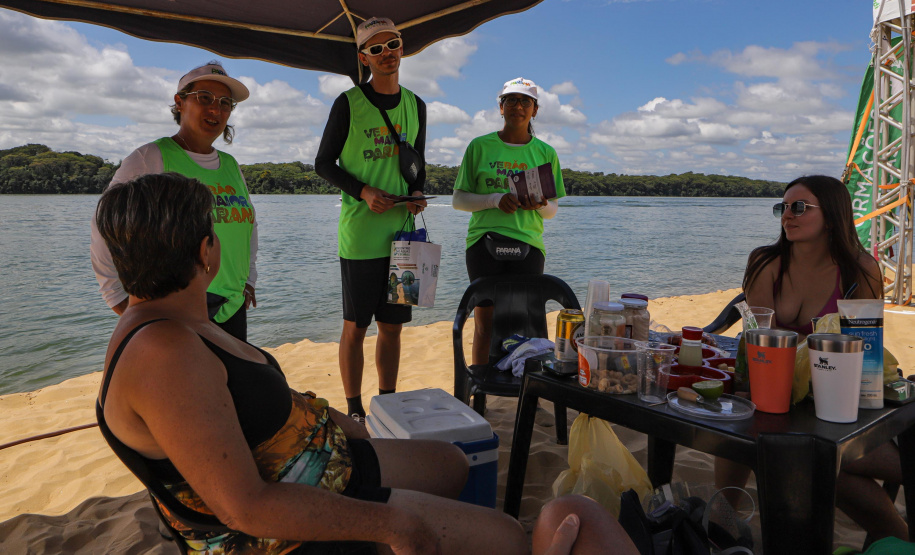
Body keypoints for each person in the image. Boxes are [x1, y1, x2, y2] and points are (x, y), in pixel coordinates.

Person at [93, 172, 638, 555]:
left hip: (319, 459)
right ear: (206, 251)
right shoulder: (163, 355)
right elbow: (245, 508)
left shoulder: (178, 316)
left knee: (451, 464)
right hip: (285, 528)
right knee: (510, 537)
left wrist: (335, 419)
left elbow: (242, 410)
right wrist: (392, 524)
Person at [716, 175, 906, 543]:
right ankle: (722, 521)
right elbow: (760, 339)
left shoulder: (859, 269)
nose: (787, 215)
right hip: (776, 390)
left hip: (837, 397)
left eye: (799, 207)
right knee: (745, 425)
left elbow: (865, 349)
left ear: (832, 217)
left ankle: (896, 539)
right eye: (783, 207)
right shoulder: (766, 261)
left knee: (834, 459)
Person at [90, 61, 257, 341]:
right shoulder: (150, 158)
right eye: (205, 98)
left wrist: (249, 278)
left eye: (225, 103)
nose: (216, 109)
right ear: (180, 102)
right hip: (177, 307)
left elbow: (248, 225)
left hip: (232, 304)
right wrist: (115, 295)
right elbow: (104, 224)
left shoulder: (230, 164)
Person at [315, 17, 428, 421]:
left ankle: (388, 402)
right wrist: (363, 191)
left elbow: (417, 165)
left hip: (405, 238)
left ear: (402, 47)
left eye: (392, 44)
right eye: (376, 49)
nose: (386, 54)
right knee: (356, 326)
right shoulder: (348, 103)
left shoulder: (417, 105)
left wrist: (417, 193)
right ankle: (354, 410)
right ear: (364, 58)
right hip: (361, 237)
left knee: (393, 327)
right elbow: (323, 163)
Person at [452, 77, 565, 365]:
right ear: (500, 107)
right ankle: (480, 380)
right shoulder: (479, 146)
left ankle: (524, 381)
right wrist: (494, 199)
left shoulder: (546, 153)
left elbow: (552, 210)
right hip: (483, 243)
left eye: (525, 101)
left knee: (525, 321)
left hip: (529, 244)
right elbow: (459, 200)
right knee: (484, 322)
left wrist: (540, 204)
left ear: (535, 110)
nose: (518, 106)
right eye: (511, 100)